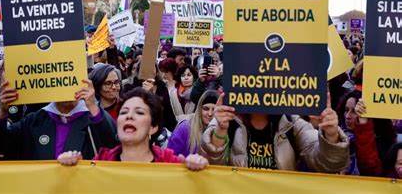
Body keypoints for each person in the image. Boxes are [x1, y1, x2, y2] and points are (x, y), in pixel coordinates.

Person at [58, 87, 208, 171]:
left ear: (153, 127)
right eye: (123, 112)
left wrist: (197, 170)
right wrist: (71, 167)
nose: (129, 116)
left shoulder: (170, 163)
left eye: (139, 112)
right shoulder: (101, 162)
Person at [200, 93, 350, 172]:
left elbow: (329, 165)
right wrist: (220, 130)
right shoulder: (227, 117)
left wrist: (331, 135)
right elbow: (209, 164)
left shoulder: (292, 122)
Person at [0, 79, 118, 160]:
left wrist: (92, 106)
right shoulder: (34, 121)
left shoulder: (93, 119)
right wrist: (3, 111)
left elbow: (113, 145)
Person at [168, 90, 218, 157]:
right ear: (199, 109)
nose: (210, 114)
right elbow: (171, 156)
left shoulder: (222, 131)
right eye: (206, 109)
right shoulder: (184, 128)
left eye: (214, 110)